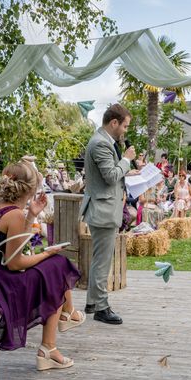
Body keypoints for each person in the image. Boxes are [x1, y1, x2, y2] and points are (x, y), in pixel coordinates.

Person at [0, 161, 84, 370]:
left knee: (54, 267)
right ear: (32, 189)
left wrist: (32, 214)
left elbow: (15, 247)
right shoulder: (14, 214)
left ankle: (64, 320)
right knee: (57, 265)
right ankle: (53, 341)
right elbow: (15, 263)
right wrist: (45, 253)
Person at [80, 103, 138, 325]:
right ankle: (101, 308)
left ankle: (93, 303)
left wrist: (129, 170)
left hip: (104, 208)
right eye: (125, 126)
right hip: (103, 210)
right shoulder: (100, 144)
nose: (125, 130)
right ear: (114, 122)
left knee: (100, 260)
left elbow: (113, 174)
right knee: (102, 262)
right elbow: (110, 176)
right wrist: (126, 159)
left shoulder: (105, 142)